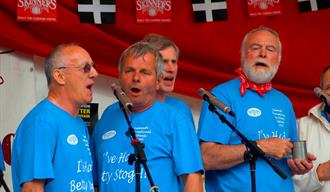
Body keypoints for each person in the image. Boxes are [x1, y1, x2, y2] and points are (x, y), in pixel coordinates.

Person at [198, 26, 314, 191]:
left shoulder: (284, 101)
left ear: (278, 59)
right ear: (243, 54)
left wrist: (297, 165)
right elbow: (206, 157)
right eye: (255, 48)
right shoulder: (221, 96)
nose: (263, 54)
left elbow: (287, 158)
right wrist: (261, 146)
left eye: (270, 49)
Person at [91, 42, 203, 192]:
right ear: (119, 76)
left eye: (145, 72)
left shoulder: (176, 120)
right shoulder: (107, 117)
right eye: (129, 71)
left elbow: (192, 180)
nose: (136, 78)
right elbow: (95, 182)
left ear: (158, 81)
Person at [11, 43, 98, 191]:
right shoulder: (42, 122)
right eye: (86, 68)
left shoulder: (78, 122)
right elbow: (33, 188)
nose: (94, 73)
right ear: (59, 76)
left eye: (93, 66)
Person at [293, 65, 330, 192]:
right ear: (321, 92)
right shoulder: (300, 127)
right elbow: (286, 185)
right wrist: (319, 174)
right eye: (329, 87)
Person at [141, 34, 194, 121]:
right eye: (164, 62)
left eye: (174, 62)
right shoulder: (122, 110)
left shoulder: (181, 109)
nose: (171, 69)